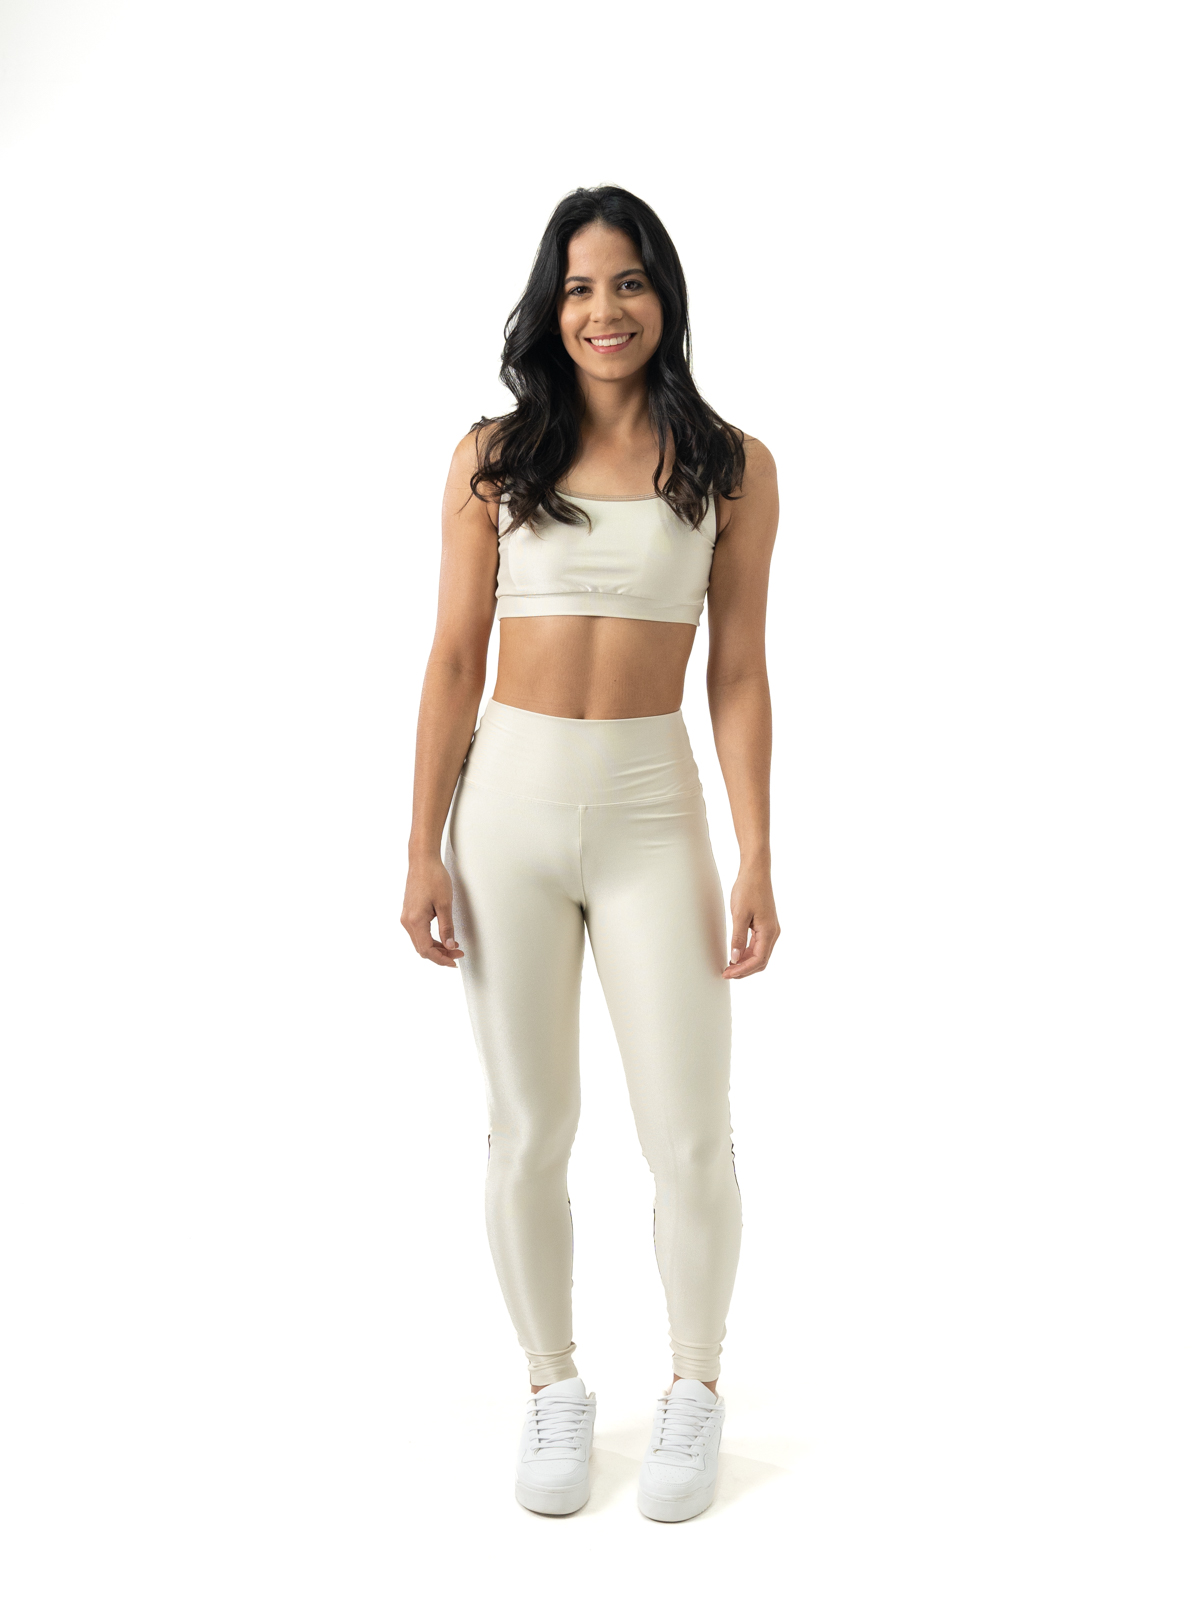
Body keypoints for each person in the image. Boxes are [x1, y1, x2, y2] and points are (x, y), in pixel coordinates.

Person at [402, 185, 780, 1521]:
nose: (603, 310)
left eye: (627, 282)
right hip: (502, 811)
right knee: (529, 1129)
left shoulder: (730, 464)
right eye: (577, 287)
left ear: (662, 296)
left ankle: (695, 1387)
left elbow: (739, 670)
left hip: (650, 812)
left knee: (689, 1134)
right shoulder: (493, 455)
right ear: (548, 307)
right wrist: (419, 847)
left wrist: (756, 852)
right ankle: (552, 1384)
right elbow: (455, 659)